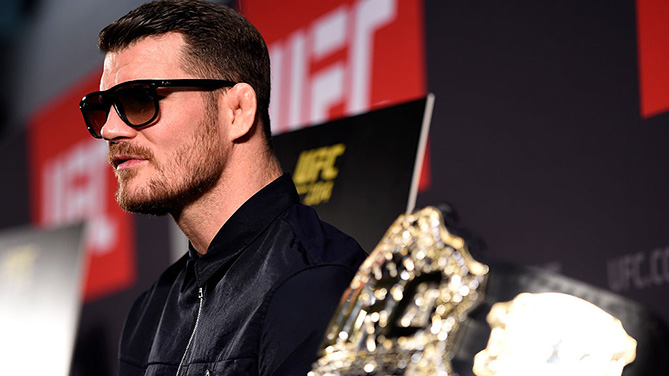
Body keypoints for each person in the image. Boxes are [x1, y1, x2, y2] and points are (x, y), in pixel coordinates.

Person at [78, 1, 367, 375]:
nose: (110, 130)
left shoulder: (315, 285)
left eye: (139, 100)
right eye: (102, 107)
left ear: (237, 111)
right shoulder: (151, 310)